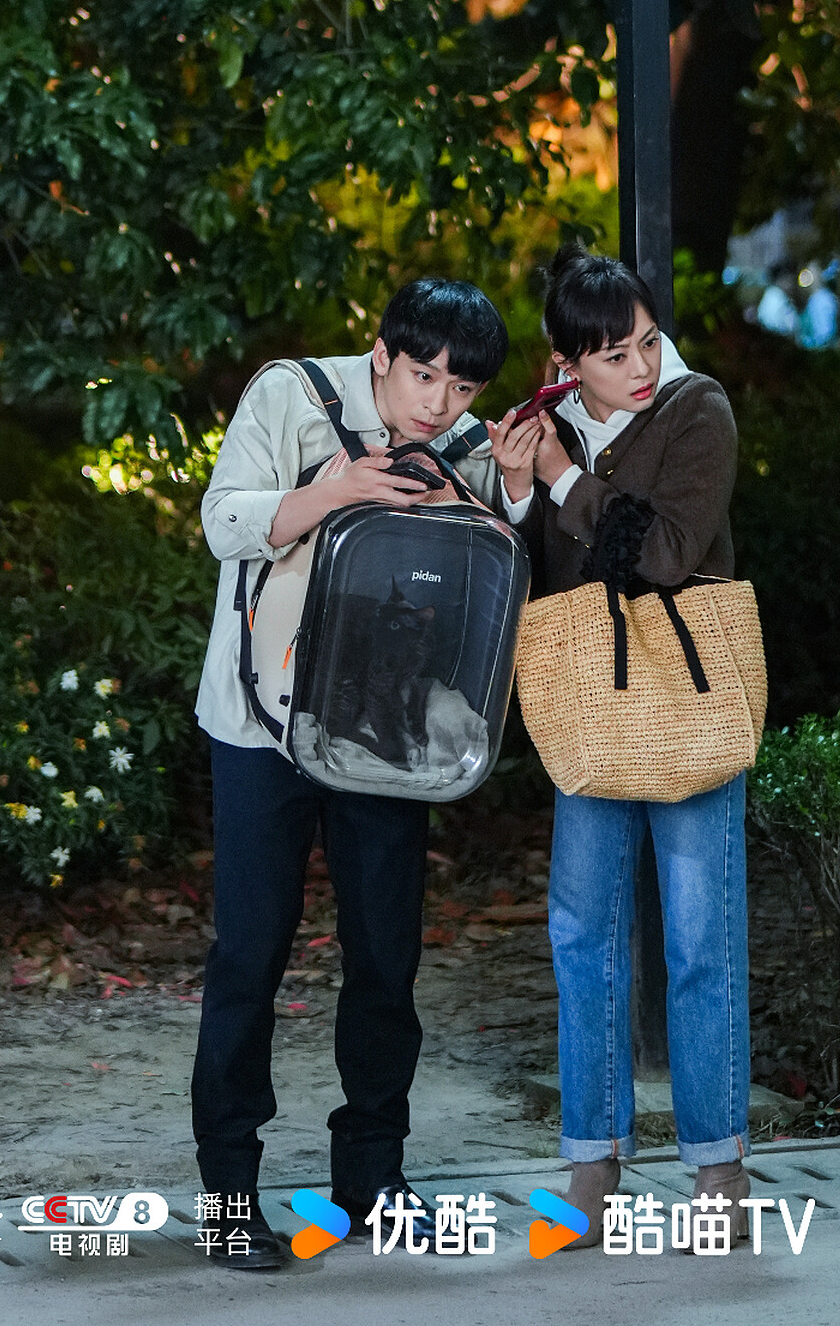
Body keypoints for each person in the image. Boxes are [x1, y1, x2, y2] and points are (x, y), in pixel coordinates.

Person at [191, 277, 531, 1269]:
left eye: (461, 388)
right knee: (250, 956)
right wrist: (336, 492)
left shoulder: (465, 445)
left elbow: (499, 580)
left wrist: (496, 496)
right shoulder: (291, 394)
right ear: (382, 354)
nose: (438, 403)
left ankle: (373, 1178)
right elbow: (222, 523)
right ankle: (230, 1194)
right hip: (259, 727)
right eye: (423, 375)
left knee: (387, 958)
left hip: (385, 736)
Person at [489, 246, 750, 1250]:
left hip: (686, 697)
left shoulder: (695, 409)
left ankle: (718, 1173)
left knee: (699, 940)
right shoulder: (547, 429)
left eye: (645, 341)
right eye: (611, 355)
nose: (638, 366)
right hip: (588, 705)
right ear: (567, 361)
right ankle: (592, 1167)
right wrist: (522, 489)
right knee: (581, 936)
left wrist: (565, 479)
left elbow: (668, 555)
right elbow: (537, 579)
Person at [755, 263, 798, 337]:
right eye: (789, 280)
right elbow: (773, 326)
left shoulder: (777, 296)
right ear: (780, 279)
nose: (791, 284)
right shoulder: (774, 298)